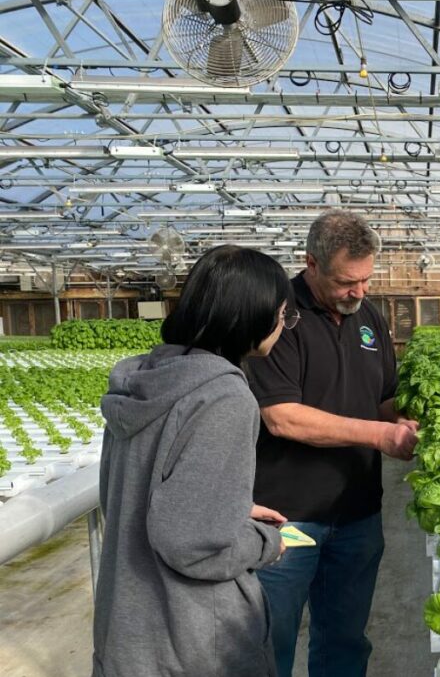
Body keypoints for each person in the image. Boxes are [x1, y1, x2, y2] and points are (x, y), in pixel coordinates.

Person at [92, 245, 298, 677]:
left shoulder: (142, 382)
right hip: (195, 643)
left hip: (129, 634)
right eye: (282, 314)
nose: (284, 325)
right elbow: (193, 546)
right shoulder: (224, 396)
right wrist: (265, 542)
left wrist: (229, 508)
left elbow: (128, 499)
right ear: (252, 315)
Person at [246, 210, 419, 677]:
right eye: (347, 282)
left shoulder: (370, 317)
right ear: (312, 263)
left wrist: (411, 423)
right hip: (287, 518)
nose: (359, 292)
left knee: (345, 640)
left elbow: (382, 398)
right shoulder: (276, 314)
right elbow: (282, 417)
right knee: (270, 640)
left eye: (365, 280)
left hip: (357, 514)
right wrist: (383, 436)